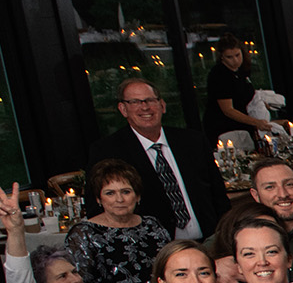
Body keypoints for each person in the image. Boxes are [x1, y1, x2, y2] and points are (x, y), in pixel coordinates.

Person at [90, 78, 227, 242]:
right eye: (135, 102)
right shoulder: (108, 150)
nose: (145, 107)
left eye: (150, 100)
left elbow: (218, 194)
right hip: (153, 249)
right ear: (123, 109)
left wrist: (223, 235)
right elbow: (96, 207)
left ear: (162, 105)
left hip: (209, 241)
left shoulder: (193, 141)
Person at [61, 158, 172, 283]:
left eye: (126, 192)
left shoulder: (152, 225)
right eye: (110, 193)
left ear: (137, 196)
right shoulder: (83, 233)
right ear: (99, 199)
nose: (119, 199)